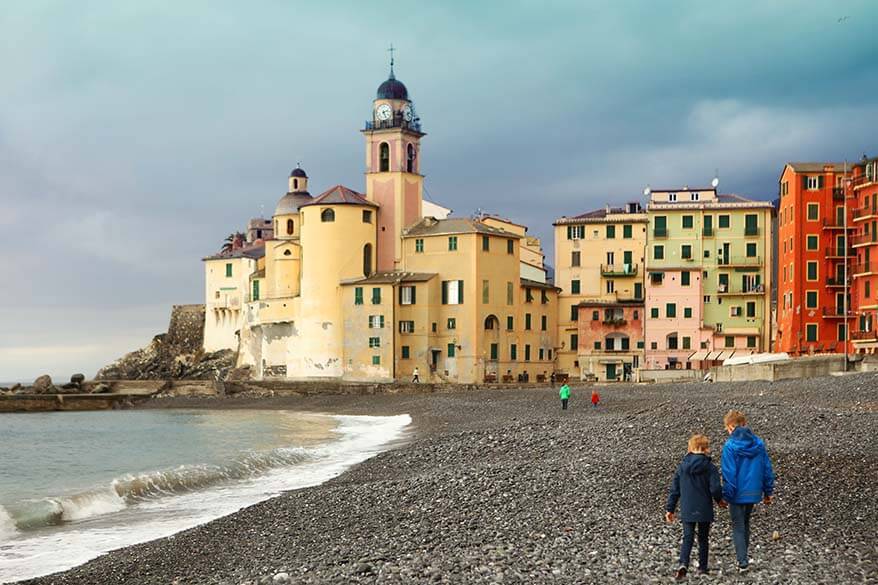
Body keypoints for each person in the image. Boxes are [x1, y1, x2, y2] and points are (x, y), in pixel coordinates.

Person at [721, 410, 775, 573]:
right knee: (745, 523)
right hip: (753, 492)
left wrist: (726, 495)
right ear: (744, 424)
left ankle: (742, 560)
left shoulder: (730, 446)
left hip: (737, 492)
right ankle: (743, 556)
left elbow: (729, 473)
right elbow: (767, 469)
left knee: (738, 525)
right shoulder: (758, 444)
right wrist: (768, 491)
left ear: (731, 427)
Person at [665, 434, 725, 580]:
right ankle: (702, 568)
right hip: (704, 508)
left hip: (687, 508)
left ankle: (683, 563)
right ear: (706, 449)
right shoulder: (710, 467)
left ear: (690, 448)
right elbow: (715, 488)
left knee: (688, 537)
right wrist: (719, 500)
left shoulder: (682, 467)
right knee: (703, 538)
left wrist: (670, 509)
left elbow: (675, 489)